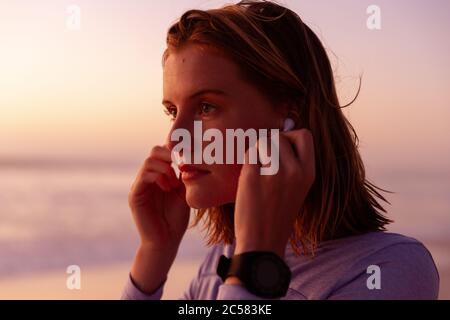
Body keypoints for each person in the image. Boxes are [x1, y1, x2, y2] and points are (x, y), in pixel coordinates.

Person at [121, 0, 439, 300]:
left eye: (206, 107)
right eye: (172, 111)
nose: (175, 137)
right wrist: (154, 252)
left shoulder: (388, 266)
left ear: (291, 113)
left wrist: (255, 266)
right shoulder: (222, 258)